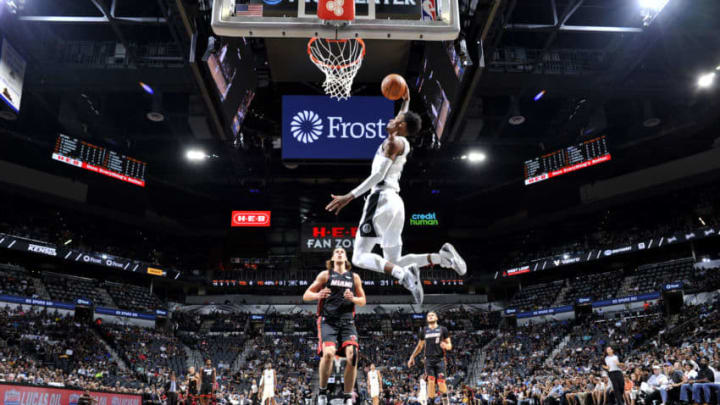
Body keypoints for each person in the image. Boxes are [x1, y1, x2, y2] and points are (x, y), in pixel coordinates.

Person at [325, 83, 467, 305]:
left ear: (400, 125)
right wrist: (406, 101)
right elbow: (402, 118)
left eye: (396, 119)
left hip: (380, 200)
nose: (391, 119)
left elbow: (378, 176)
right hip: (396, 204)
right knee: (395, 261)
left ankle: (405, 276)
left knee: (359, 257)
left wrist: (349, 196)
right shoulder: (402, 140)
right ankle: (443, 257)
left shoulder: (393, 144)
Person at [303, 247, 367, 405]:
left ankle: (347, 396)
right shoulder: (325, 275)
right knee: (329, 353)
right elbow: (306, 295)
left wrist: (353, 299)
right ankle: (323, 392)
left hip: (347, 321)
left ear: (346, 258)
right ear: (332, 258)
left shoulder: (354, 277)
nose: (339, 253)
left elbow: (363, 300)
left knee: (353, 356)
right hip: (328, 320)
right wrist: (318, 295)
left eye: (342, 252)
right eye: (336, 251)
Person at [407, 311, 452, 405]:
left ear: (436, 318)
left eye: (432, 315)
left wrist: (446, 346)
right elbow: (419, 347)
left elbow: (450, 345)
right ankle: (430, 402)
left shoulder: (443, 329)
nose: (430, 316)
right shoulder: (424, 330)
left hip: (440, 360)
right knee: (431, 381)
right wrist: (412, 357)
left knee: (441, 383)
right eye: (429, 315)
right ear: (427, 319)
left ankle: (445, 399)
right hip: (428, 360)